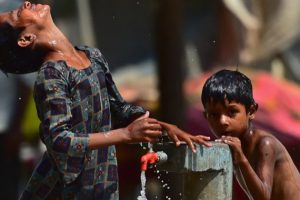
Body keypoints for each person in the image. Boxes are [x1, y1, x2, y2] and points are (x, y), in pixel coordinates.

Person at [0, 1, 212, 199]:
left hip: (101, 184)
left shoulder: (92, 57)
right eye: (18, 13)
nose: (26, 3)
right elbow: (59, 141)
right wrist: (125, 134)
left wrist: (164, 127)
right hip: (63, 190)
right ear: (25, 39)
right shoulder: (51, 75)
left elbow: (118, 110)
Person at [201, 69, 300, 199]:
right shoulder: (232, 146)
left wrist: (240, 158)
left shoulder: (265, 144)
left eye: (232, 112)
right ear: (205, 116)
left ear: (251, 111)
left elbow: (263, 197)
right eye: (214, 115)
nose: (223, 121)